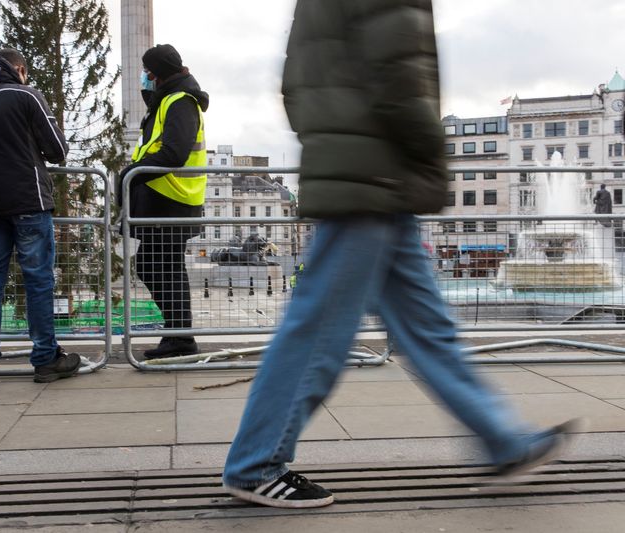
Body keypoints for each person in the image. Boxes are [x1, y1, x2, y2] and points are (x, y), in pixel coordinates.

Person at [222, 0, 581, 509]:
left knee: (428, 330)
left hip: (369, 174)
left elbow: (295, 87)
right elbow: (402, 82)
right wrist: (432, 158)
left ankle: (505, 442)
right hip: (376, 177)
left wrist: (332, 142)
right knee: (320, 329)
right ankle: (255, 464)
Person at [0, 48, 80, 387]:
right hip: (28, 200)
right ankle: (46, 359)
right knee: (38, 280)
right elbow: (57, 150)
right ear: (19, 69)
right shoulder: (27, 96)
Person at [118, 44, 210, 360]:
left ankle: (181, 338)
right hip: (164, 199)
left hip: (171, 198)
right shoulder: (170, 99)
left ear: (157, 74)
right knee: (160, 266)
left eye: (147, 72)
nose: (144, 77)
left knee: (159, 266)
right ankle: (178, 336)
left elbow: (174, 153)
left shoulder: (180, 102)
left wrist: (132, 172)